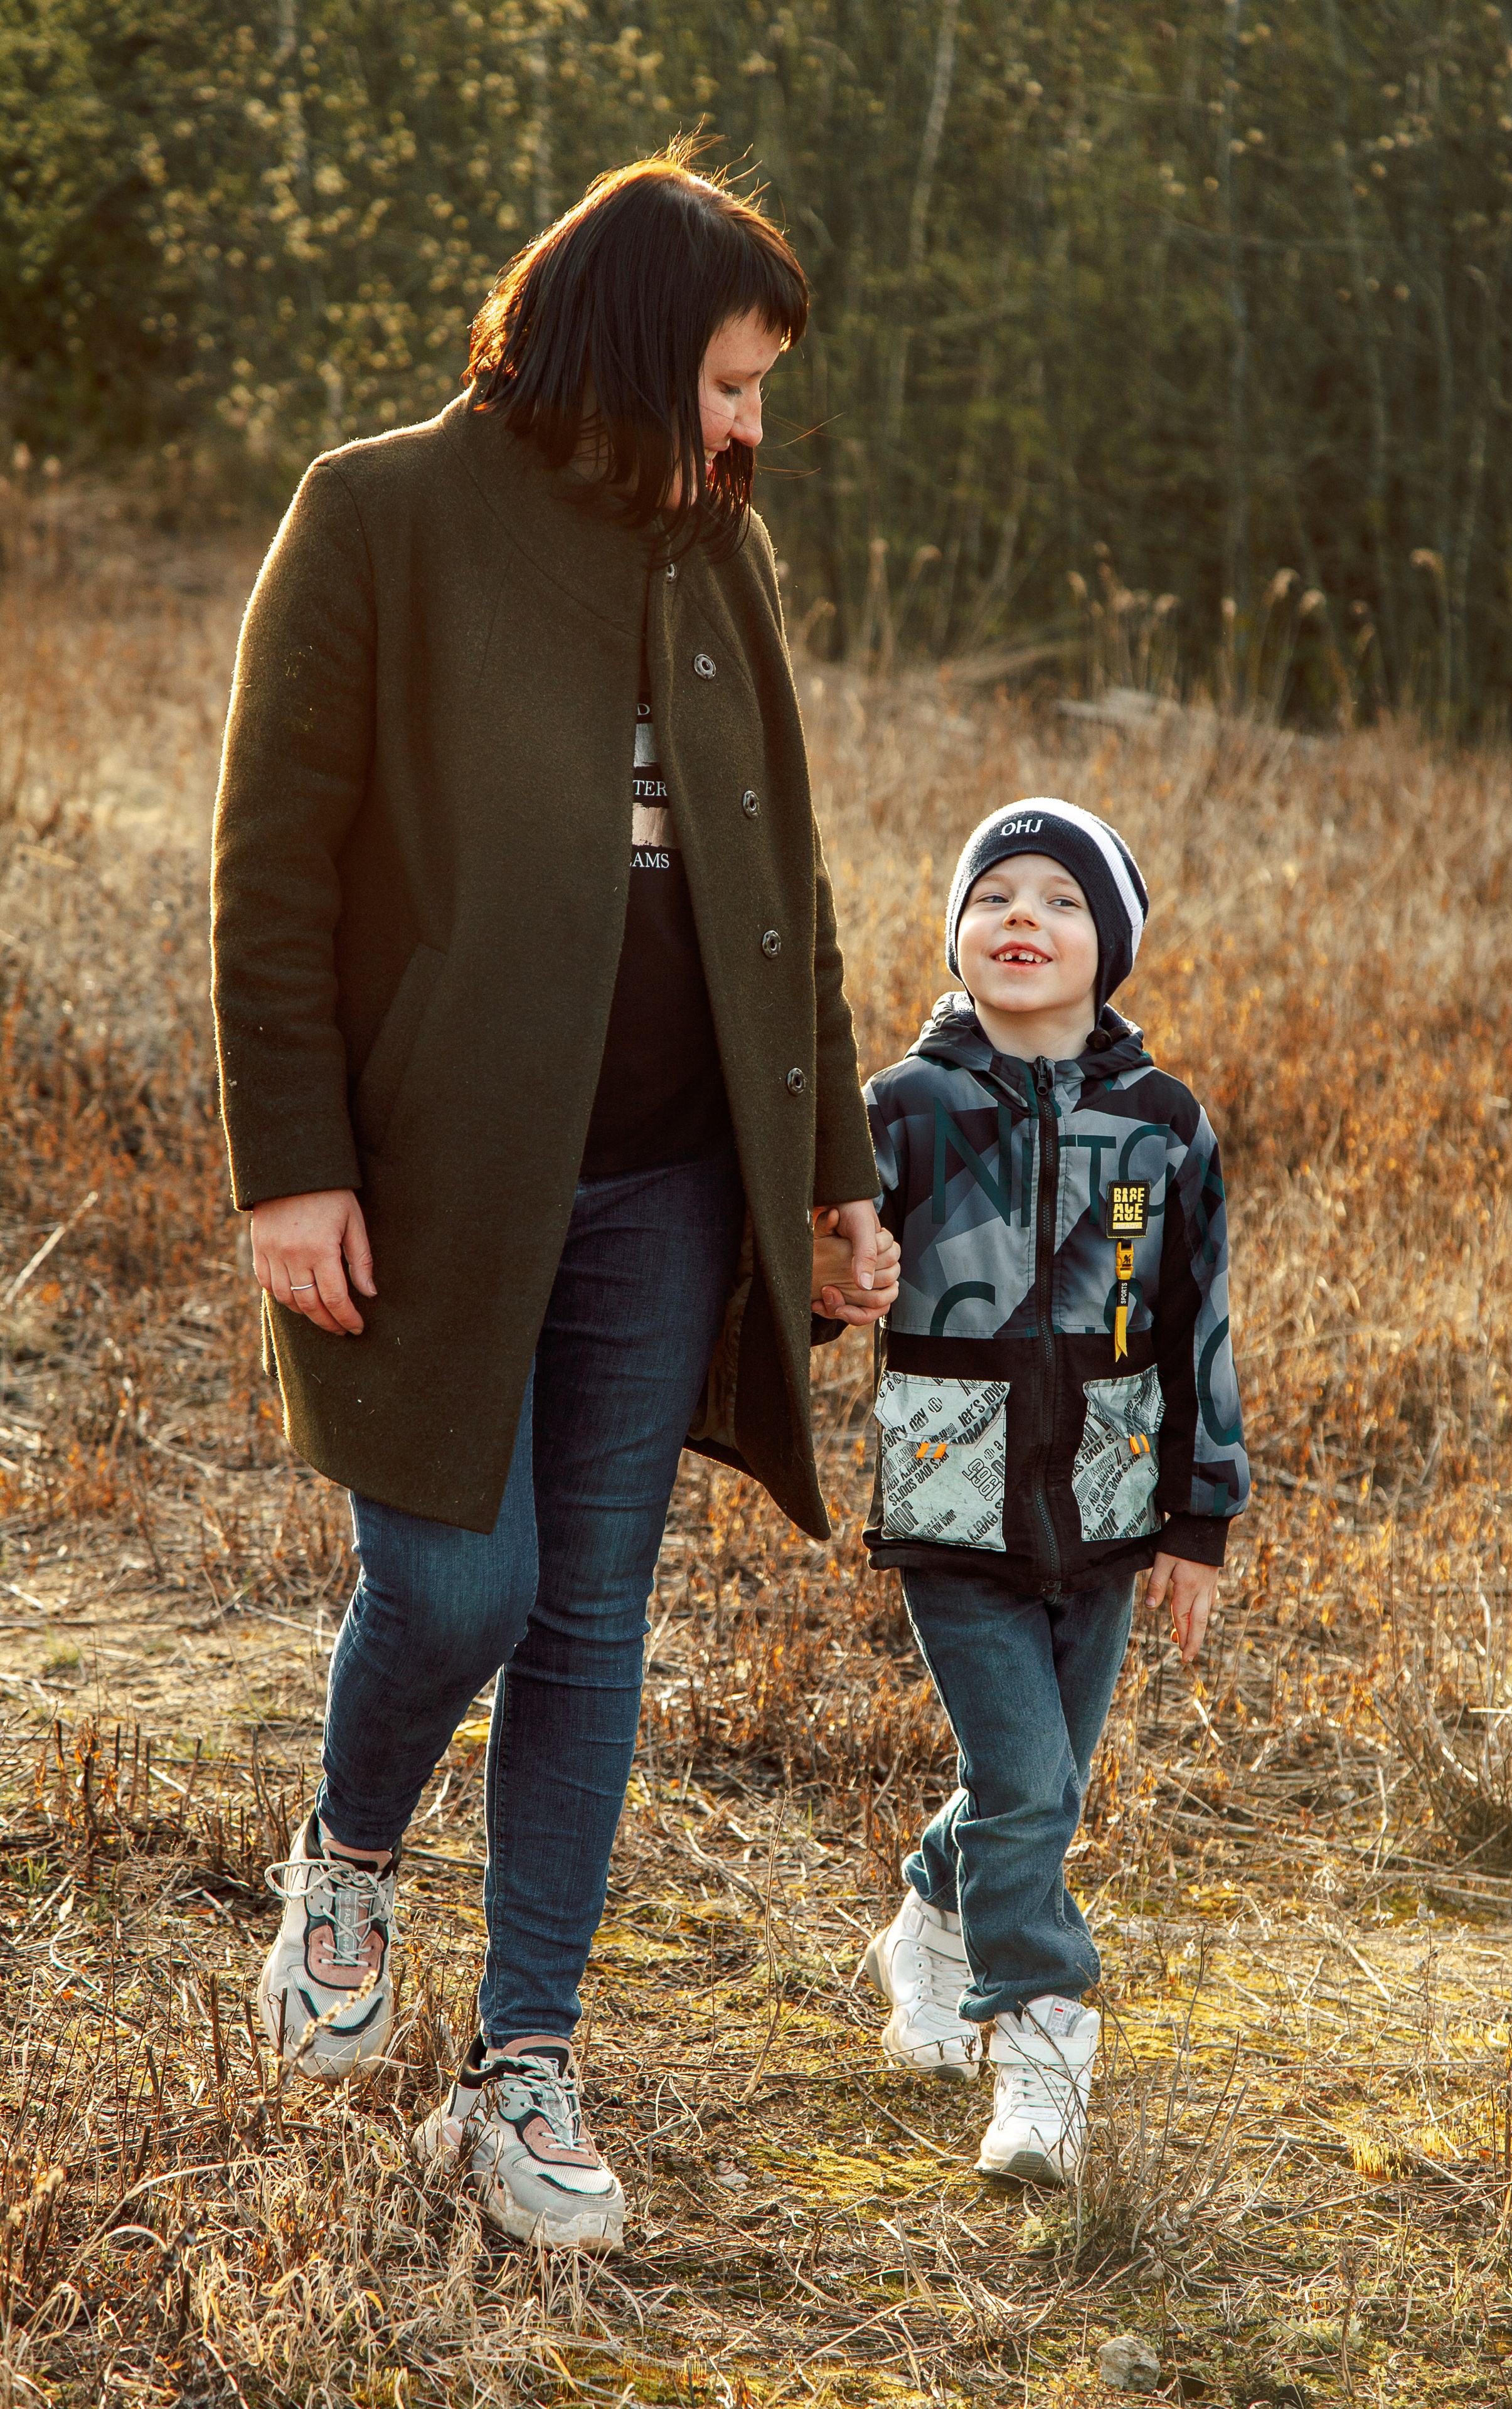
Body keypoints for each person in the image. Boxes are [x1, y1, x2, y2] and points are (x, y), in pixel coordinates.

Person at [210, 151, 898, 2256]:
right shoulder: (379, 512)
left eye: (763, 387)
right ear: (625, 342)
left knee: (594, 1620)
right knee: (455, 1589)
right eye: (730, 379)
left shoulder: (714, 564)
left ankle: (525, 2065)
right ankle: (347, 1855)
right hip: (429, 1188)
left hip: (675, 1184)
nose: (751, 426)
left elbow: (784, 899)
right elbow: (272, 870)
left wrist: (836, 1176)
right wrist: (291, 1166)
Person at [850, 797, 1249, 2183]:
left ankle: (927, 1916)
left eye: (1061, 900)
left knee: (1043, 1782)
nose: (1023, 917)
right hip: (950, 1507)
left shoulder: (1162, 1126)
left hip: (1110, 1505)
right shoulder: (900, 1113)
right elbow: (814, 1262)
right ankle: (1037, 2039)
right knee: (1022, 1775)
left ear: (1110, 946)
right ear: (956, 937)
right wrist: (838, 1281)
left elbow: (1197, 1324)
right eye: (995, 894)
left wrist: (1197, 1517)